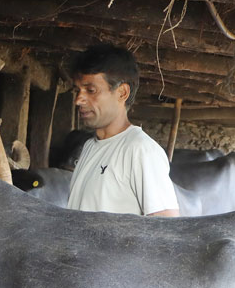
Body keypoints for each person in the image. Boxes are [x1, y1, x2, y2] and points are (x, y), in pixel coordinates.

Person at [66, 45, 179, 217]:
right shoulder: (89, 146)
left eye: (91, 90)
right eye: (78, 91)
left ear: (122, 93)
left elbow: (166, 225)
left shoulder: (140, 150)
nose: (78, 100)